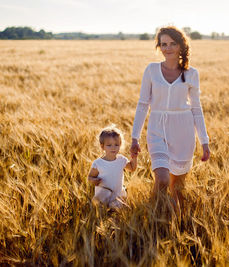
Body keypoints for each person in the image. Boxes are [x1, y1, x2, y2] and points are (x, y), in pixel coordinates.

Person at [130, 26, 210, 213]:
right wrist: (134, 137)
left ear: (181, 46)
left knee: (178, 187)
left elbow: (197, 109)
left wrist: (204, 141)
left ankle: (172, 222)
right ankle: (153, 214)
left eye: (172, 43)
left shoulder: (192, 74)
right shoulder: (151, 70)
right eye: (163, 44)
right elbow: (143, 104)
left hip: (183, 130)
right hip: (157, 128)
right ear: (159, 47)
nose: (168, 48)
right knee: (163, 179)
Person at [88, 125, 137, 208]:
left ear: (120, 145)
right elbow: (90, 177)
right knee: (101, 213)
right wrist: (94, 180)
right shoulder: (98, 163)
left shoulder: (121, 160)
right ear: (102, 146)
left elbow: (132, 168)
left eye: (116, 145)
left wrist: (134, 157)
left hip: (118, 197)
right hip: (102, 197)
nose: (113, 148)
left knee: (122, 211)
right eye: (109, 145)